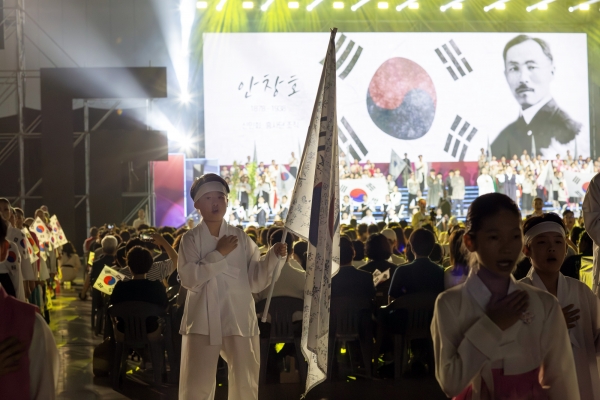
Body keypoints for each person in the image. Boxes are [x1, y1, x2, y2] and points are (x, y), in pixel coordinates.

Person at [431, 193, 579, 399]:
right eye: (494, 237)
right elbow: (451, 383)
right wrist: (492, 325)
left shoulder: (544, 304)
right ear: (470, 241)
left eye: (515, 236)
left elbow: (563, 383)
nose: (507, 247)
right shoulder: (450, 304)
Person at [177, 173, 287, 400]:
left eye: (220, 196)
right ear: (197, 204)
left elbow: (255, 279)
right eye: (208, 198)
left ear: (227, 201)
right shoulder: (190, 239)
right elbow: (189, 278)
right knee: (196, 383)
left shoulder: (240, 237)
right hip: (202, 318)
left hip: (237, 314)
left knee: (245, 379)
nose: (215, 202)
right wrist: (219, 254)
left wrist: (273, 258)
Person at [519, 214, 600, 399]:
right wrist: (549, 326)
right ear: (526, 250)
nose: (551, 248)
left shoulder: (580, 291)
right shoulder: (518, 296)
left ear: (566, 248)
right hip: (536, 389)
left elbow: (596, 339)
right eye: (542, 242)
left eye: (558, 242)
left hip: (581, 383)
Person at [492, 35, 582, 159]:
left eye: (532, 67)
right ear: (505, 75)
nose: (523, 79)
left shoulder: (572, 132)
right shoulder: (502, 139)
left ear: (552, 71)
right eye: (514, 69)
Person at [109, 246, 168, 333]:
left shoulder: (120, 287)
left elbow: (112, 306)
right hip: (151, 331)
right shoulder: (156, 287)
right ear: (150, 265)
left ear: (129, 266)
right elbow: (165, 307)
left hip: (124, 331)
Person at [388, 228, 444, 302]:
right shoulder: (440, 271)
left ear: (412, 248)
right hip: (433, 313)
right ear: (432, 247)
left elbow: (391, 299)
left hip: (406, 313)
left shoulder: (401, 271)